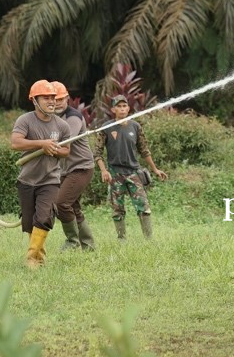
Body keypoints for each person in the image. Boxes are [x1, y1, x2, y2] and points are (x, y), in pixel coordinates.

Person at [10, 80, 72, 267]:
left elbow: (66, 151)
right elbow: (16, 143)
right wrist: (42, 144)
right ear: (35, 100)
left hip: (50, 180)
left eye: (53, 98)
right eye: (46, 98)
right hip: (27, 180)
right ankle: (39, 258)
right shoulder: (25, 120)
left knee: (44, 218)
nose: (51, 101)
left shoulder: (62, 126)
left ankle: (31, 259)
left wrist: (54, 150)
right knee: (30, 223)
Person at [93, 94, 167, 241]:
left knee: (143, 207)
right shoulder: (106, 128)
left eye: (124, 106)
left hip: (133, 172)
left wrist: (155, 169)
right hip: (115, 173)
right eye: (118, 106)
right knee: (117, 209)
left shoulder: (135, 127)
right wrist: (103, 170)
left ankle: (149, 239)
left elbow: (144, 150)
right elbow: (97, 153)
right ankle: (121, 239)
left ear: (128, 108)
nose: (122, 109)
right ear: (113, 109)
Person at [51, 81, 96, 251]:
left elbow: (66, 139)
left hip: (81, 167)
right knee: (73, 206)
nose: (57, 102)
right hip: (65, 170)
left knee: (61, 203)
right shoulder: (51, 119)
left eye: (60, 99)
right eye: (53, 99)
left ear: (67, 99)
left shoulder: (74, 117)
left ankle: (72, 241)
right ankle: (89, 246)